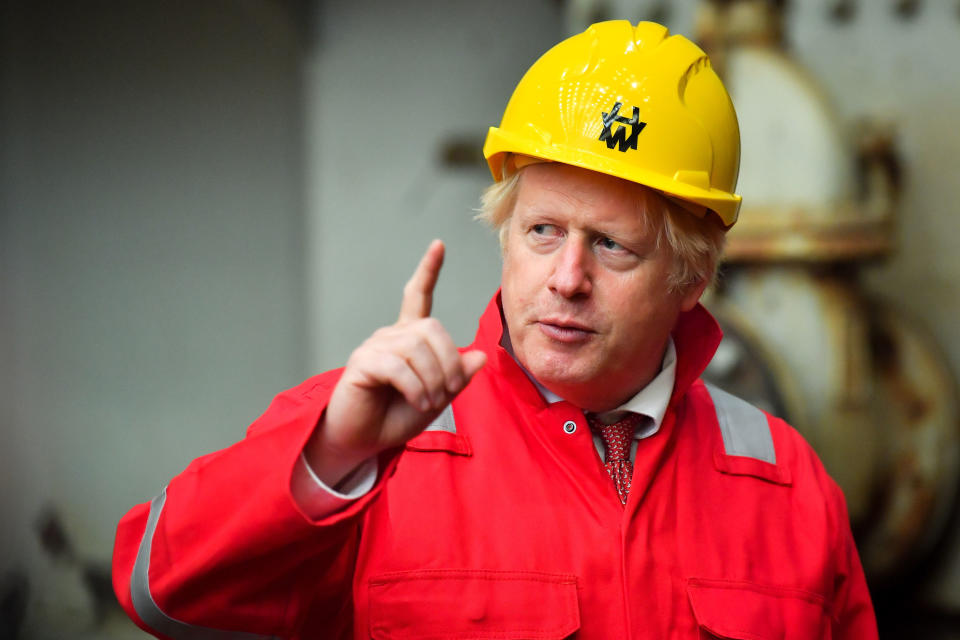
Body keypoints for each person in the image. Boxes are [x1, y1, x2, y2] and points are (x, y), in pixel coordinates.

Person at [112, 20, 878, 639]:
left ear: (691, 278)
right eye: (542, 230)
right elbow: (159, 592)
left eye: (611, 245)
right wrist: (333, 453)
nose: (567, 278)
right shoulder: (368, 439)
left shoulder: (786, 483)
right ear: (505, 236)